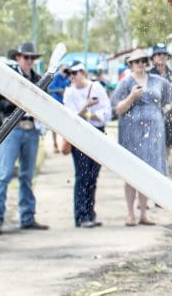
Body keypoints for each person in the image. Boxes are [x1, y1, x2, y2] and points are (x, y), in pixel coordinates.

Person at [112, 48, 172, 226]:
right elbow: (117, 108)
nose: (140, 63)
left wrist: (166, 109)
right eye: (136, 61)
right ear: (131, 64)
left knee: (147, 172)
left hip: (154, 131)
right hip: (131, 130)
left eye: (143, 60)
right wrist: (132, 97)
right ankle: (130, 213)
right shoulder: (126, 82)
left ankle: (144, 212)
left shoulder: (157, 80)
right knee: (131, 172)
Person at [0, 41, 49, 234]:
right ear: (18, 57)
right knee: (4, 174)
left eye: (32, 58)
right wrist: (17, 102)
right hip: (12, 129)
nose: (29, 61)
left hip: (31, 129)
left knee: (26, 176)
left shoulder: (39, 80)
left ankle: (27, 217)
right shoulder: (9, 78)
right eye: (26, 57)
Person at [62, 64, 111, 228]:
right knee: (82, 176)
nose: (72, 76)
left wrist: (87, 113)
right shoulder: (69, 92)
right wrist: (86, 107)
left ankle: (90, 213)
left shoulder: (96, 87)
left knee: (93, 176)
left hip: (97, 133)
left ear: (83, 72)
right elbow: (70, 116)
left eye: (75, 72)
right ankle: (81, 216)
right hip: (79, 135)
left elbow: (106, 113)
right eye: (69, 73)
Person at [149, 44, 172, 148]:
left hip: (169, 118)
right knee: (153, 146)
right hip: (152, 118)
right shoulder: (148, 75)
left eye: (164, 54)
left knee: (168, 146)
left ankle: (165, 165)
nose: (162, 56)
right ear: (153, 58)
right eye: (158, 54)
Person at [47, 61, 73, 153]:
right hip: (56, 104)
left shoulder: (68, 78)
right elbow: (50, 87)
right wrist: (60, 90)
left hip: (65, 105)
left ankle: (64, 145)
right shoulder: (57, 76)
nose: (65, 70)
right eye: (64, 68)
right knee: (54, 125)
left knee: (65, 125)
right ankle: (55, 144)